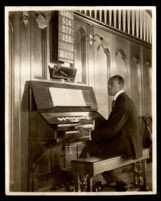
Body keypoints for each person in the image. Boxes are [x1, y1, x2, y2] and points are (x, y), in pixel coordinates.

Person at [79, 75, 143, 188]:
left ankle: (81, 183)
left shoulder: (122, 102)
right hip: (127, 142)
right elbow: (112, 123)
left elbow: (112, 130)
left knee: (89, 147)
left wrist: (89, 133)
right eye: (108, 84)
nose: (108, 87)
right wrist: (92, 122)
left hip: (126, 146)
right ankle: (114, 181)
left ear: (120, 85)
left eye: (111, 84)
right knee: (94, 145)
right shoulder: (122, 99)